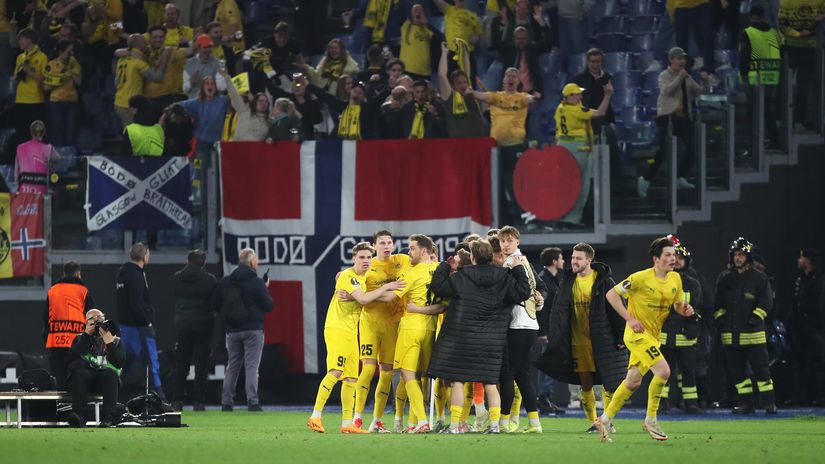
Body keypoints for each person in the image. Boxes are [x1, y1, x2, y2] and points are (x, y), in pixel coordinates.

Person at [428, 239, 532, 434]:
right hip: (492, 341)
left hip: (461, 337)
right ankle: (494, 426)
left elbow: (438, 288)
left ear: (473, 257)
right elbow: (523, 292)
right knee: (490, 382)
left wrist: (445, 266)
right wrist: (518, 269)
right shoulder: (505, 277)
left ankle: (455, 426)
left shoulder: (461, 276)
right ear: (492, 256)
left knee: (458, 381)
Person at [599, 237, 695, 442]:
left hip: (653, 336)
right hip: (636, 335)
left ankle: (605, 419)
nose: (673, 258)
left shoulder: (676, 279)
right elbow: (611, 295)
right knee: (664, 371)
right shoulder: (640, 278)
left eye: (674, 254)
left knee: (633, 381)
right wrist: (629, 318)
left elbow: (677, 305)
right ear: (656, 259)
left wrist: (684, 310)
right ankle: (651, 419)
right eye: (668, 255)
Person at [307, 242, 404, 434]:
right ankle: (315, 416)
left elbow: (369, 294)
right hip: (338, 329)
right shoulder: (348, 276)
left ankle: (346, 423)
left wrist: (383, 288)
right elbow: (365, 299)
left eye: (368, 257)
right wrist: (389, 286)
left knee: (351, 378)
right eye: (362, 257)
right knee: (335, 371)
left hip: (352, 331)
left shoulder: (362, 277)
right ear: (353, 259)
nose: (366, 261)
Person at [537, 243, 627, 433]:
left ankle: (607, 421)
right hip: (578, 342)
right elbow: (558, 311)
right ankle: (594, 422)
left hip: (602, 340)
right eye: (572, 258)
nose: (574, 261)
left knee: (608, 384)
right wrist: (555, 335)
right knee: (584, 384)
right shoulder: (568, 280)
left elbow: (617, 310)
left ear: (589, 260)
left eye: (578, 258)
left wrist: (620, 336)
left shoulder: (604, 281)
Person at [351, 230, 409, 433]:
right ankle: (356, 418)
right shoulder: (368, 265)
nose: (386, 246)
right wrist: (389, 289)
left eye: (389, 242)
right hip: (370, 324)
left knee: (386, 374)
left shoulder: (402, 260)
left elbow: (422, 265)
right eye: (382, 243)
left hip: (393, 325)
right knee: (367, 370)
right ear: (374, 246)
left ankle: (376, 421)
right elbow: (355, 286)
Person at [381, 234, 440, 433]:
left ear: (424, 251)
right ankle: (414, 423)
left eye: (412, 248)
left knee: (407, 374)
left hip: (411, 328)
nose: (409, 252)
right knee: (421, 376)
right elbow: (443, 304)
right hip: (430, 329)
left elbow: (390, 296)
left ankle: (422, 421)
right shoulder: (439, 270)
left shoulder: (412, 274)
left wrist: (363, 294)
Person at [714, 237, 778, 414]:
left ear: (748, 257)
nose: (737, 258)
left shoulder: (759, 278)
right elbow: (717, 305)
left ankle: (769, 403)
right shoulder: (725, 279)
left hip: (753, 335)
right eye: (735, 254)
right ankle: (746, 404)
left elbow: (766, 303)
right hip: (731, 337)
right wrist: (721, 321)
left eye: (741, 254)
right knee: (738, 374)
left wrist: (755, 320)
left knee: (762, 371)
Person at [637, 47, 710, 199]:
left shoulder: (687, 77)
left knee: (693, 148)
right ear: (671, 60)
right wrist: (679, 78)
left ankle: (679, 176)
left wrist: (705, 81)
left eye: (683, 58)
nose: (682, 61)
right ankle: (645, 179)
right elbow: (666, 91)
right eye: (679, 58)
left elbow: (701, 92)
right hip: (669, 117)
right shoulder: (665, 75)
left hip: (684, 117)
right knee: (664, 152)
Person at [211, 248, 274, 412]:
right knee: (252, 366)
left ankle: (226, 402)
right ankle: (252, 402)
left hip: (232, 330)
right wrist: (265, 287)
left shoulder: (226, 281)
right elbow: (269, 306)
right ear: (253, 263)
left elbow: (215, 303)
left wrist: (227, 318)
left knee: (232, 366)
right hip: (253, 329)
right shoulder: (257, 282)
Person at [497, 226, 543, 433]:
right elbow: (535, 295)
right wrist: (539, 302)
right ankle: (534, 423)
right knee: (523, 375)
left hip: (517, 325)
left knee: (507, 374)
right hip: (529, 323)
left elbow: (520, 294)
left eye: (509, 240)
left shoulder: (513, 263)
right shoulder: (524, 261)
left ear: (517, 241)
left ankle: (504, 422)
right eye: (502, 241)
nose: (505, 244)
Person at [553, 82, 612, 227]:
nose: (580, 96)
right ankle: (571, 219)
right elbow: (600, 113)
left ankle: (560, 215)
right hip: (577, 148)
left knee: (564, 185)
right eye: (577, 94)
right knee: (580, 186)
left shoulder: (560, 108)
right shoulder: (576, 110)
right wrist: (608, 95)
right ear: (569, 96)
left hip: (562, 146)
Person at [658, 235, 705, 414]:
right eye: (672, 258)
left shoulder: (693, 283)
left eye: (680, 258)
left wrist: (693, 325)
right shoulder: (659, 281)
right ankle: (661, 403)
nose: (676, 261)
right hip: (665, 336)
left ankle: (690, 403)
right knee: (663, 373)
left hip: (686, 337)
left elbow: (698, 307)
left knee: (688, 372)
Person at [116, 242, 166, 401]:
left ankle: (113, 392)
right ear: (144, 256)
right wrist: (147, 321)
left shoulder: (122, 273)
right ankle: (160, 397)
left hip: (125, 326)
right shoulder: (136, 275)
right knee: (151, 361)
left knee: (125, 361)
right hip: (139, 327)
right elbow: (137, 303)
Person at [172, 250, 217, 412]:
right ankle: (199, 402)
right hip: (203, 327)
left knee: (181, 365)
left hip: (183, 326)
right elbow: (215, 304)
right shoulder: (210, 281)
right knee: (201, 365)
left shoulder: (177, 278)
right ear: (203, 263)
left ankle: (177, 401)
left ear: (188, 260)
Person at [66, 309, 125, 428]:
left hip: (106, 380)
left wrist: (109, 343)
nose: (96, 321)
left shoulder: (115, 340)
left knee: (110, 373)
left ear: (104, 319)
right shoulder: (80, 338)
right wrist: (86, 336)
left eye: (99, 318)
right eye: (92, 319)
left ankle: (108, 417)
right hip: (87, 379)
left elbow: (119, 363)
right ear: (86, 323)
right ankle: (80, 416)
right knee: (80, 373)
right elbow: (72, 360)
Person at [43, 261, 94, 390]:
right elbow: (91, 317)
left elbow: (45, 318)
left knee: (58, 381)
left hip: (56, 342)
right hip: (77, 343)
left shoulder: (52, 291)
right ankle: (76, 408)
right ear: (78, 274)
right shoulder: (83, 291)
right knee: (78, 378)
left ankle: (59, 408)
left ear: (64, 273)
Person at [739, 5, 782, 147]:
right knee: (768, 110)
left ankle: (753, 144)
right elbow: (781, 51)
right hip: (772, 76)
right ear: (763, 16)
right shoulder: (774, 33)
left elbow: (744, 57)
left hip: (754, 76)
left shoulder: (747, 33)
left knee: (752, 112)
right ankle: (775, 140)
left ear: (750, 16)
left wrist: (742, 76)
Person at [788, 249, 825, 406]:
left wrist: (815, 323)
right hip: (800, 327)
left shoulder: (819, 279)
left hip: (814, 326)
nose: (799, 259)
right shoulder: (800, 279)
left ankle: (820, 397)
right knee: (800, 362)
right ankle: (800, 397)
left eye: (802, 257)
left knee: (819, 362)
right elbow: (796, 304)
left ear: (808, 260)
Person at [8, 29, 48, 162]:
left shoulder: (42, 57)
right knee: (21, 135)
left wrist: (29, 73)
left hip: (35, 101)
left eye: (21, 39)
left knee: (36, 135)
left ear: (29, 40)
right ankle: (22, 161)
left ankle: (36, 160)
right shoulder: (20, 57)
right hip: (20, 100)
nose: (19, 42)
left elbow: (45, 80)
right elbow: (15, 76)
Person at [114, 34, 170, 128]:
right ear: (139, 44)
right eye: (144, 42)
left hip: (119, 102)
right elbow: (156, 77)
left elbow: (116, 82)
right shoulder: (138, 62)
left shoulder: (121, 59)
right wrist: (164, 58)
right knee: (135, 134)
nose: (146, 44)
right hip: (129, 105)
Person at [535, 247, 565, 415]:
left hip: (554, 330)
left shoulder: (552, 279)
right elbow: (542, 309)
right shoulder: (543, 279)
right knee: (548, 364)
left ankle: (545, 398)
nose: (563, 261)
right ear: (554, 261)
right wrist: (543, 332)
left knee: (551, 364)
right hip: (548, 331)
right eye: (561, 258)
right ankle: (543, 397)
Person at [437, 42, 486, 138]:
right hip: (459, 145)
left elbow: (467, 73)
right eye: (459, 83)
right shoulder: (449, 97)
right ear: (452, 86)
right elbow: (442, 76)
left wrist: (465, 51)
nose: (463, 85)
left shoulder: (473, 95)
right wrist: (444, 53)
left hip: (479, 143)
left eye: (464, 82)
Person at [43, 40, 81, 147]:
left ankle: (71, 159)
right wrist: (59, 78)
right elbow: (46, 87)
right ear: (62, 51)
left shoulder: (73, 62)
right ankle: (58, 159)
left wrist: (70, 72)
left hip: (72, 101)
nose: (72, 53)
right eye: (70, 51)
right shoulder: (51, 65)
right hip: (56, 102)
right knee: (57, 132)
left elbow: (79, 82)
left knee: (71, 133)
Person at [220, 67, 271, 141]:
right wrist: (227, 78)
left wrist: (269, 138)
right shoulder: (244, 110)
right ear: (254, 102)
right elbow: (234, 95)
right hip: (236, 148)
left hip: (253, 150)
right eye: (260, 101)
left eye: (266, 102)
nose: (264, 103)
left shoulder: (269, 121)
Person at [399, 4, 443, 81]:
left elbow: (441, 38)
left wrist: (426, 23)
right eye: (415, 11)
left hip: (425, 72)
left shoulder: (428, 30)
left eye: (420, 11)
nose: (418, 13)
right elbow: (401, 11)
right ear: (411, 15)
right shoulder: (406, 26)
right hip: (408, 70)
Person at [15, 120, 59, 195]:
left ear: (31, 132)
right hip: (41, 192)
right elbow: (58, 159)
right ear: (44, 132)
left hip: (24, 192)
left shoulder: (20, 148)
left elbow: (16, 173)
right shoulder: (48, 148)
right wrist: (49, 166)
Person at [183, 34, 227, 100]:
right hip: (194, 101)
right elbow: (185, 89)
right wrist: (191, 82)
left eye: (209, 47)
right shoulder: (189, 64)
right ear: (198, 48)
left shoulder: (218, 64)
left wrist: (222, 78)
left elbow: (222, 88)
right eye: (205, 47)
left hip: (213, 101)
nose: (208, 50)